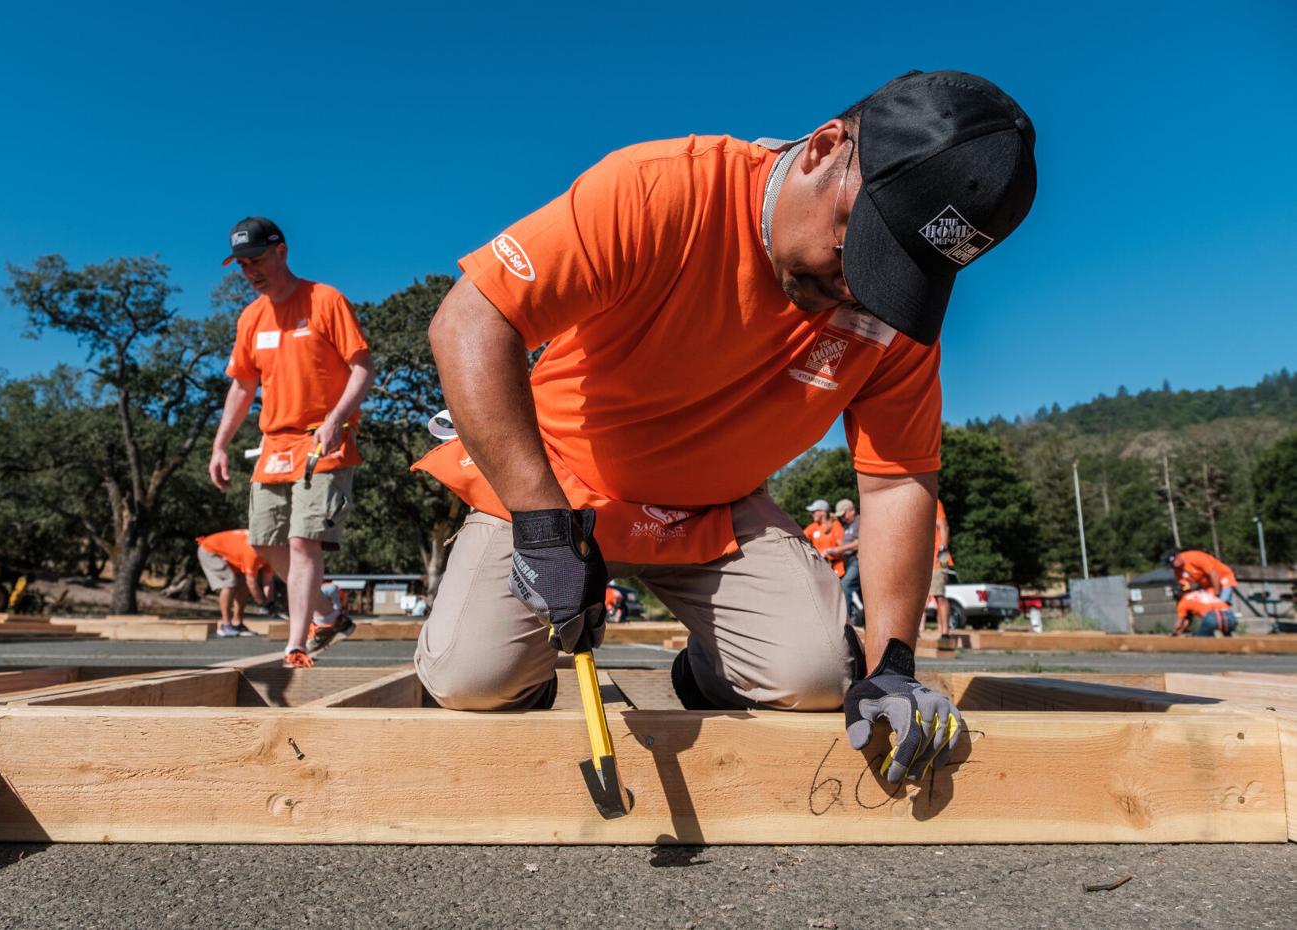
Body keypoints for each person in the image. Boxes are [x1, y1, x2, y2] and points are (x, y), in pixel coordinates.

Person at [415, 70, 1036, 785]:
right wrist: (540, 520)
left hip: (716, 511)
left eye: (897, 270)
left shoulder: (894, 318)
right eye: (858, 245)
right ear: (825, 148)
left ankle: (711, 673)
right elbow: (470, 320)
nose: (860, 287)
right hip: (559, 486)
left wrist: (892, 667)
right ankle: (526, 673)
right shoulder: (660, 190)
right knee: (474, 680)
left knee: (819, 677)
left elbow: (897, 482)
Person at [208, 217, 375, 668]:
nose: (250, 272)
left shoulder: (325, 300)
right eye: (242, 265)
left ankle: (295, 645)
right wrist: (220, 445)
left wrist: (337, 418)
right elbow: (242, 387)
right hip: (274, 446)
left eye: (256, 260)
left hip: (324, 440)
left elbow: (362, 366)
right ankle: (327, 611)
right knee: (264, 543)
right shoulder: (251, 318)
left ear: (281, 251)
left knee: (303, 542)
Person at [195, 529, 273, 637]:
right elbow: (252, 582)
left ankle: (237, 623)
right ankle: (225, 625)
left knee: (242, 584)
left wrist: (270, 602)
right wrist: (262, 603)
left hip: (229, 554)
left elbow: (268, 581)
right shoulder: (253, 552)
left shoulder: (270, 554)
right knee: (229, 582)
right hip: (209, 550)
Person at [921, 500, 953, 635]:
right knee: (921, 596)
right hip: (924, 558)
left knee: (939, 595)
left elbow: (944, 526)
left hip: (937, 558)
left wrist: (942, 550)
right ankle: (920, 631)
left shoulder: (933, 501)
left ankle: (945, 633)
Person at [1163, 549, 1239, 605]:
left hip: (1223, 577)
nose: (1174, 567)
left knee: (1221, 604)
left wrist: (1217, 594)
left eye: (1174, 563)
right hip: (1209, 585)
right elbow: (1186, 586)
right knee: (1207, 607)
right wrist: (1181, 590)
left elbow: (1214, 574)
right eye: (1172, 566)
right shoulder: (1177, 571)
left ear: (1177, 556)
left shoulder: (1195, 557)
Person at [828, 499, 861, 615]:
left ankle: (848, 620)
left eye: (843, 515)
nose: (842, 518)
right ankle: (856, 618)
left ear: (851, 510)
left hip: (858, 561)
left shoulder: (860, 521)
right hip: (849, 563)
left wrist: (839, 549)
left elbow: (860, 542)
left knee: (845, 585)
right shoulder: (847, 526)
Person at [1172, 586, 1238, 637]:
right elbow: (1186, 621)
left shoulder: (1183, 602)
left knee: (1200, 640)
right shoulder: (1201, 593)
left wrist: (1175, 633)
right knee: (1227, 640)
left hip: (1213, 617)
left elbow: (1179, 623)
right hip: (1230, 617)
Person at [802, 499, 843, 571]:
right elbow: (801, 538)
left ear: (823, 512)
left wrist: (829, 553)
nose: (812, 514)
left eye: (814, 511)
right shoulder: (813, 526)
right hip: (820, 567)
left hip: (836, 568)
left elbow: (842, 548)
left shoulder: (836, 525)